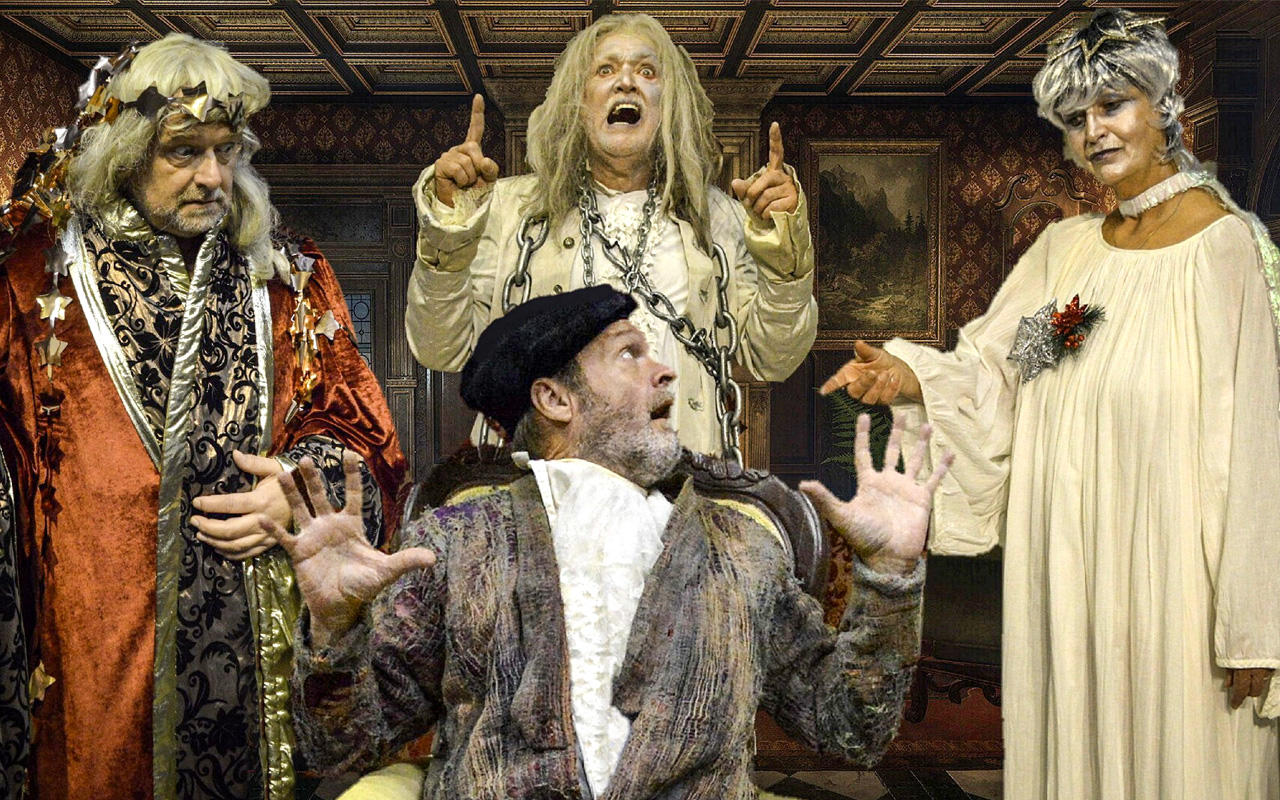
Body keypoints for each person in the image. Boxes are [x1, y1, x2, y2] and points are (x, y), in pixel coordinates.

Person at [821, 10, 1280, 800]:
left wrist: (1254, 623)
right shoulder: (1072, 259)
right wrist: (914, 379)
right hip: (1068, 570)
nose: (1093, 131)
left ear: (1162, 105)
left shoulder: (1221, 248)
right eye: (1075, 117)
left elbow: (1254, 440)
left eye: (1112, 105)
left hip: (1175, 579)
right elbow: (1014, 365)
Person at [277, 285, 950, 799]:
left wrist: (890, 576)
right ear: (555, 399)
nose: (665, 372)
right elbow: (345, 748)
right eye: (630, 353)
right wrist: (334, 630)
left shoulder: (742, 548)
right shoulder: (454, 543)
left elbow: (850, 729)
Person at [0, 35, 406, 800]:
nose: (214, 176)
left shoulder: (289, 275)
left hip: (257, 641)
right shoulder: (34, 275)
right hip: (90, 645)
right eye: (184, 152)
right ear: (127, 153)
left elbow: (358, 430)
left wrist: (299, 488)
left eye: (227, 150)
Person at [406, 12, 817, 457]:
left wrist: (784, 258)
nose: (626, 83)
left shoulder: (717, 218)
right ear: (578, 101)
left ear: (668, 105)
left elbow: (772, 358)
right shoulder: (509, 210)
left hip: (675, 477)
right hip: (543, 481)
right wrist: (450, 229)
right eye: (605, 70)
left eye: (646, 71)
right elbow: (440, 349)